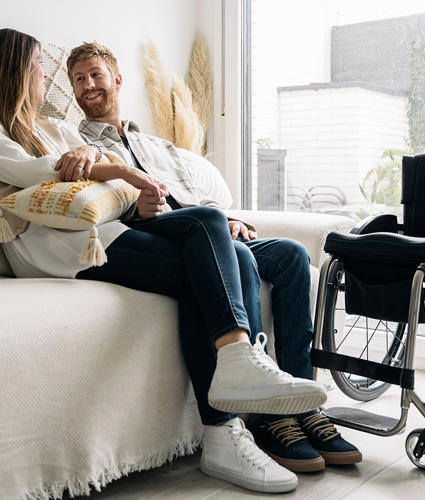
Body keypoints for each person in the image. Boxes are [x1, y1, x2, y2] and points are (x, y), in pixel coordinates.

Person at [0, 28, 334, 495]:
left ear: (117, 80)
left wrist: (97, 161)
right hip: (61, 251)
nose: (48, 77)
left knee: (222, 237)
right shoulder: (12, 134)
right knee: (211, 245)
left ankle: (235, 409)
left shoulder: (51, 128)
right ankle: (233, 400)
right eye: (40, 68)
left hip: (103, 231)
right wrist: (116, 167)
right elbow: (44, 171)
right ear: (15, 72)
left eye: (92, 75)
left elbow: (84, 167)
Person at [66, 41, 362, 477]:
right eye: (79, 79)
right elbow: (89, 190)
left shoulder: (158, 145)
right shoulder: (78, 139)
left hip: (206, 225)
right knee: (232, 249)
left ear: (116, 79)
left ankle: (301, 404)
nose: (88, 85)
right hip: (154, 230)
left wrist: (229, 218)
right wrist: (135, 207)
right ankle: (267, 417)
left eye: (95, 74)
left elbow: (200, 197)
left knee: (292, 256)